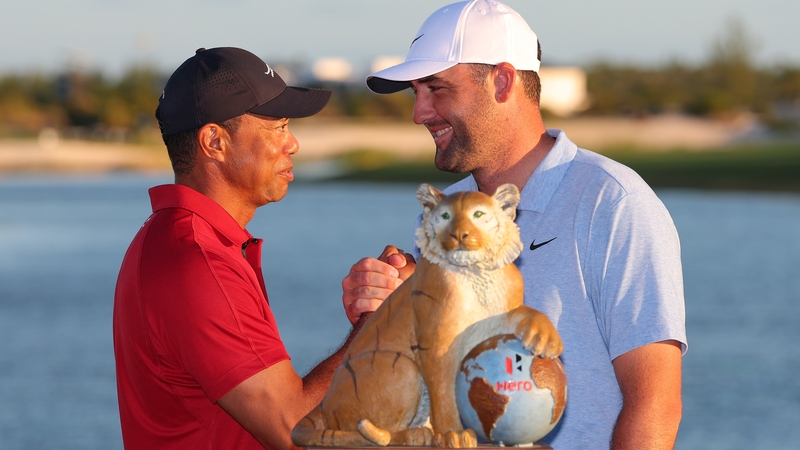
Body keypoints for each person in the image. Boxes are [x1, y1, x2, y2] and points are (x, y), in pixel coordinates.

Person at [341, 1, 687, 449]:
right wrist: (382, 318)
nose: (419, 113)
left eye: (436, 88)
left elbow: (656, 404)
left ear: (502, 81)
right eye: (415, 93)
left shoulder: (613, 202)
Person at [113, 47, 361, 450]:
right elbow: (295, 429)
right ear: (214, 141)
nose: (292, 143)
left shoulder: (175, 240)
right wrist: (379, 325)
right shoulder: (197, 263)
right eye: (277, 127)